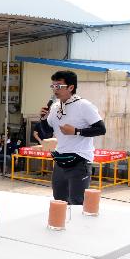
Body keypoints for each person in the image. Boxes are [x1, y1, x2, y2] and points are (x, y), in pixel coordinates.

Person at [39, 70, 106, 205]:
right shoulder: (55, 106)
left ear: (71, 87)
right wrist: (43, 120)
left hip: (79, 161)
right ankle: (61, 225)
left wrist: (76, 131)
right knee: (59, 202)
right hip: (60, 161)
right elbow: (46, 133)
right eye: (53, 86)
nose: (55, 90)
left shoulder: (84, 105)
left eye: (59, 86)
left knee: (76, 203)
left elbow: (101, 129)